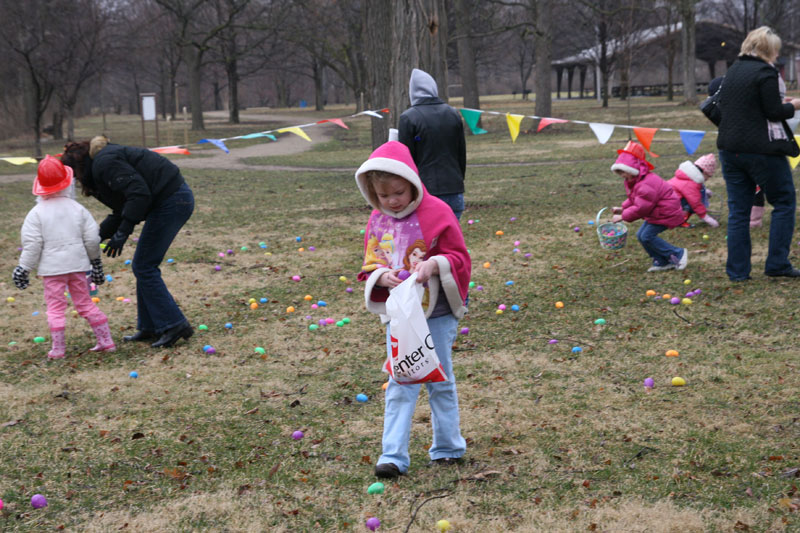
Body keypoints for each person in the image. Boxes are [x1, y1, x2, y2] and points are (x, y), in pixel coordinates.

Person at [355, 141, 470, 479]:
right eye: (383, 195)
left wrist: (435, 264)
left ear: (413, 182)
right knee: (400, 381)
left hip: (436, 313)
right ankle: (392, 455)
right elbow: (370, 263)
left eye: (399, 191)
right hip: (401, 316)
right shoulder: (377, 220)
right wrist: (381, 275)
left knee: (440, 379)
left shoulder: (437, 212)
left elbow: (459, 256)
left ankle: (448, 447)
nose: (393, 200)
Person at [61, 136, 195, 347]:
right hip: (170, 199)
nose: (76, 182)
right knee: (143, 265)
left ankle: (174, 324)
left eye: (74, 177)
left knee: (144, 266)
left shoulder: (105, 163)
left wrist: (123, 233)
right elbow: (121, 209)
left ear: (78, 167)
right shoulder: (101, 166)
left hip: (172, 200)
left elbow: (139, 195)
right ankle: (150, 327)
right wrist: (94, 238)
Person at [716, 26, 800, 280]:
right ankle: (777, 263)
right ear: (768, 49)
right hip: (761, 150)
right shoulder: (765, 72)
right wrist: (794, 105)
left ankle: (738, 272)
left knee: (739, 212)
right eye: (775, 50)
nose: (777, 55)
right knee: (784, 202)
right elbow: (773, 111)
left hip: (730, 150)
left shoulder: (733, 71)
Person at [13, 155, 114, 359]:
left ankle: (58, 349)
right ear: (68, 183)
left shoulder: (36, 214)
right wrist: (95, 262)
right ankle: (106, 341)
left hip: (52, 271)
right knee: (85, 303)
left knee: (55, 308)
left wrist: (24, 268)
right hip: (78, 266)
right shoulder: (78, 209)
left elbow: (32, 246)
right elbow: (92, 239)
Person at [398, 68, 467, 219]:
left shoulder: (408, 118)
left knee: (426, 242)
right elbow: (461, 154)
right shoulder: (453, 114)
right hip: (454, 188)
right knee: (451, 241)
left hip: (425, 192)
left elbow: (406, 160)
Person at [610, 141, 687, 272]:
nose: (622, 176)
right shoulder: (636, 180)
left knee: (646, 236)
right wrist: (623, 208)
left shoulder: (645, 184)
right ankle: (662, 261)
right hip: (657, 212)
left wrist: (623, 216)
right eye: (619, 173)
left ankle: (677, 253)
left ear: (632, 169)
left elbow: (641, 208)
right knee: (641, 235)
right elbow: (635, 199)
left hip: (666, 213)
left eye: (623, 172)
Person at [667, 153, 719, 228]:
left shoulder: (687, 176)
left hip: (668, 204)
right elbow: (696, 203)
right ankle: (680, 221)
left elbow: (687, 191)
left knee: (693, 198)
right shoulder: (691, 183)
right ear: (703, 172)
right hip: (669, 207)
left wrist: (704, 191)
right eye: (708, 176)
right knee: (691, 204)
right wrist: (706, 217)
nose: (707, 179)